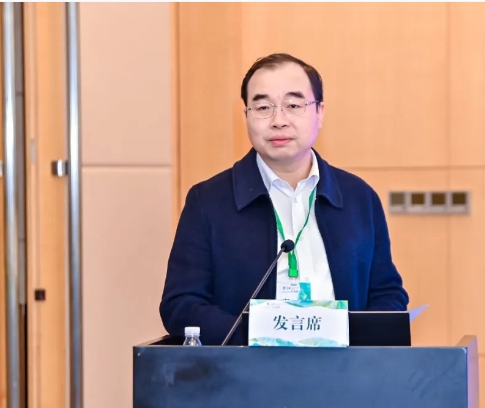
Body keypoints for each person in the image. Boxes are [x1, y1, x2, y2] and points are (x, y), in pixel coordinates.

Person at [160, 53, 408, 345]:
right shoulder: (208, 202)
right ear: (246, 116)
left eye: (293, 105)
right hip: (246, 369)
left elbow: (387, 293)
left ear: (320, 112)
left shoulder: (358, 198)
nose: (278, 121)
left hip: (343, 368)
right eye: (263, 107)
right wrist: (255, 339)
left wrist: (355, 341)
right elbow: (182, 304)